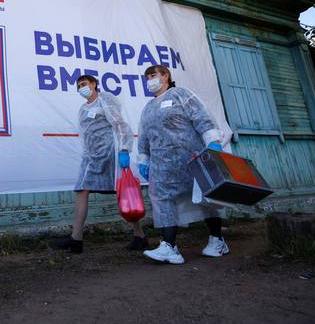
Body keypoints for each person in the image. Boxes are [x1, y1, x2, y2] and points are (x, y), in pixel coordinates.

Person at [138, 65, 229, 264]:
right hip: (162, 165)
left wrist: (213, 141)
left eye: (153, 75)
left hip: (191, 158)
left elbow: (201, 117)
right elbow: (144, 136)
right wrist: (143, 158)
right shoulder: (148, 107)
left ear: (166, 76)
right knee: (161, 200)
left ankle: (218, 240)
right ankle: (169, 247)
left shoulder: (180, 94)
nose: (149, 80)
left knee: (206, 198)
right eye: (146, 77)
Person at [56, 75, 145, 253]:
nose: (82, 87)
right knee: (81, 190)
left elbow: (120, 125)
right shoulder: (83, 109)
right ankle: (76, 238)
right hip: (91, 157)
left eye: (85, 84)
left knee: (122, 193)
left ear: (94, 84)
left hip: (109, 154)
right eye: (79, 85)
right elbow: (85, 134)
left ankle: (140, 235)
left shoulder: (105, 100)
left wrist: (124, 149)